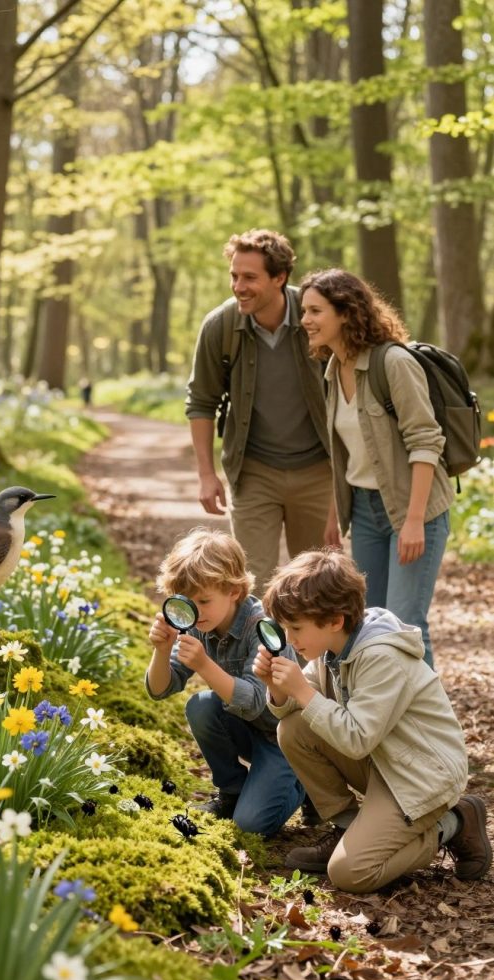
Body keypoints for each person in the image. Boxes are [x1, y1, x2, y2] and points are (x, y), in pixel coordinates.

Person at [253, 548, 492, 893]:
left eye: (296, 628)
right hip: (385, 761)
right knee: (292, 729)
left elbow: (356, 738)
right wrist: (276, 689)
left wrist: (301, 693)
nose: (289, 640)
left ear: (334, 620)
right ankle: (347, 827)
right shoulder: (331, 647)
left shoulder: (381, 657)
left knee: (351, 873)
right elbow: (297, 709)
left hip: (420, 775)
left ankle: (453, 822)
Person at [298, 268, 454, 668]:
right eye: (304, 311)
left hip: (412, 509)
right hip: (365, 513)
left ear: (346, 313)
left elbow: (425, 441)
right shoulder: (332, 370)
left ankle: (428, 728)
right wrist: (336, 515)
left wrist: (414, 521)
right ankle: (380, 724)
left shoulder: (394, 363)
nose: (305, 320)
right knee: (366, 624)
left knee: (404, 626)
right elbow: (345, 452)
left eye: (315, 310)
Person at [185, 229, 336, 596]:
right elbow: (201, 401)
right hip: (254, 472)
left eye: (250, 277)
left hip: (318, 471)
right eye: (234, 276)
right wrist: (207, 474)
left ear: (279, 278)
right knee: (251, 583)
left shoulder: (316, 316)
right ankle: (260, 656)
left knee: (317, 584)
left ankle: (316, 657)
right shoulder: (221, 326)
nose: (239, 286)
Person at [145, 527, 304, 835]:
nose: (195, 612)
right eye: (187, 602)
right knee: (201, 706)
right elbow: (160, 689)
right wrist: (162, 651)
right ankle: (231, 791)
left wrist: (204, 664)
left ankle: (305, 785)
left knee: (250, 826)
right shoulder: (197, 622)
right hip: (247, 731)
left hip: (283, 739)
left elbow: (256, 702)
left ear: (234, 591)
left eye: (204, 601)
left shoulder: (261, 626)